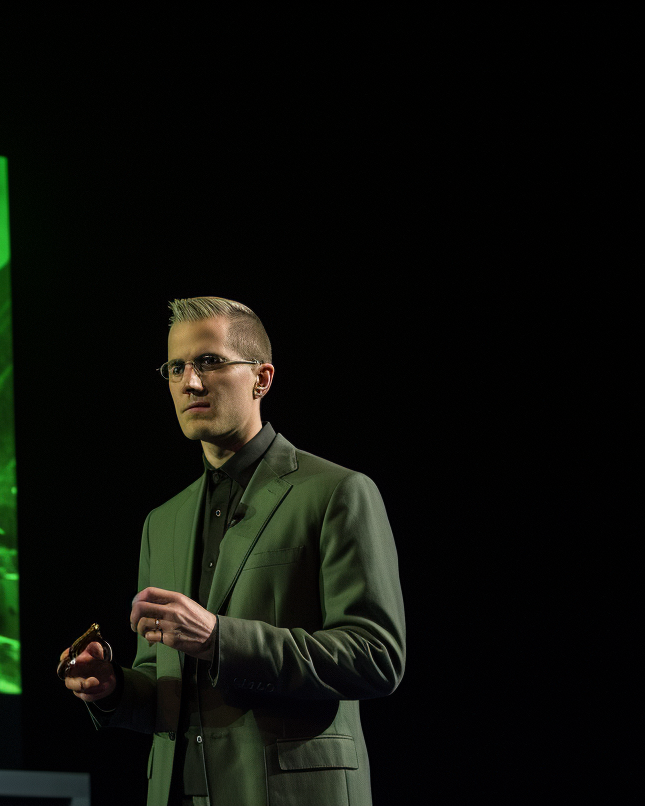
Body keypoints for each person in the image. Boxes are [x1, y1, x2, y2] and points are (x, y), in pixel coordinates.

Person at [58, 297, 405, 806]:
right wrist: (112, 689)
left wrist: (221, 639)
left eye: (210, 362)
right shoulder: (163, 522)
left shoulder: (337, 492)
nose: (189, 382)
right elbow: (164, 684)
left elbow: (376, 657)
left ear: (261, 379)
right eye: (176, 367)